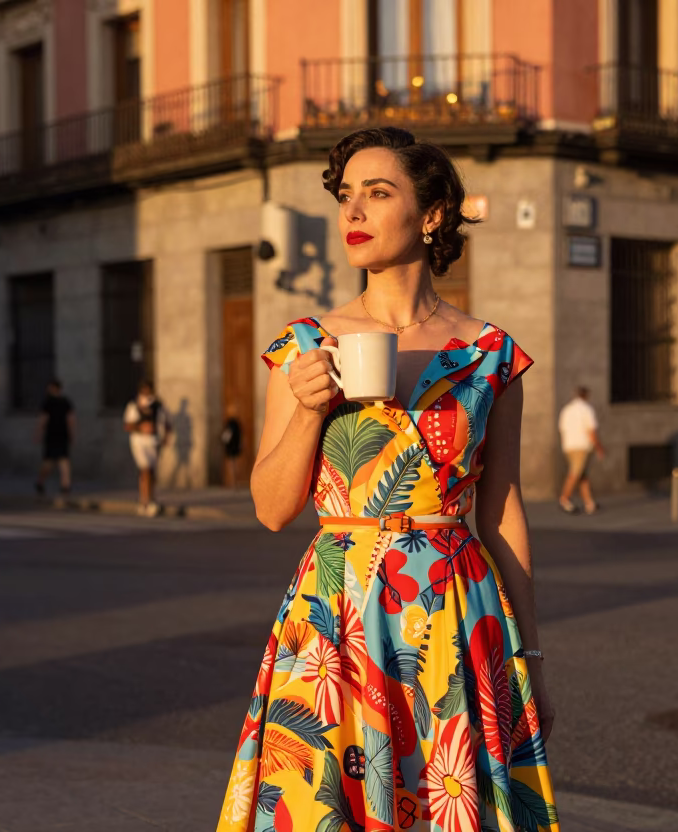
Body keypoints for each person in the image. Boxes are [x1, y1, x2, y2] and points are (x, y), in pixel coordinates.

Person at [216, 127, 557, 831]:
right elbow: (272, 509)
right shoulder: (307, 343)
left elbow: (502, 511)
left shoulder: (490, 354)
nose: (354, 213)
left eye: (378, 193)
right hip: (337, 613)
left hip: (456, 617)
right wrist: (309, 409)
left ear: (431, 215)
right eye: (347, 198)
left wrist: (529, 659)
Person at [123, 380, 169, 517]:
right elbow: (127, 425)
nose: (146, 395)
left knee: (151, 472)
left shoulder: (158, 406)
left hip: (154, 442)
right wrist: (140, 427)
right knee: (145, 469)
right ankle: (145, 501)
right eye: (144, 392)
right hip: (139, 442)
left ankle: (150, 498)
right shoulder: (133, 405)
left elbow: (166, 423)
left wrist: (166, 436)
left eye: (149, 392)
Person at [558, 384, 605, 514]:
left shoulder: (566, 410)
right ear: (586, 396)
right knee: (575, 472)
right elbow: (591, 431)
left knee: (582, 475)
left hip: (568, 446)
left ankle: (589, 503)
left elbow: (562, 429)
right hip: (581, 446)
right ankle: (564, 498)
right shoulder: (586, 409)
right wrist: (599, 447)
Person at [35, 379, 75, 507]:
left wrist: (39, 433)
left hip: (52, 435)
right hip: (61, 435)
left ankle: (46, 483)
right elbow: (71, 420)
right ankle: (64, 485)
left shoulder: (48, 402)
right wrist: (71, 434)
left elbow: (43, 419)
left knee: (52, 461)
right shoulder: (64, 402)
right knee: (61, 461)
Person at [220, 406, 244, 489]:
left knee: (233, 464)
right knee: (232, 464)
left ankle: (233, 482)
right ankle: (232, 482)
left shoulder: (233, 423)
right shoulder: (231, 422)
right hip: (232, 445)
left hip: (233, 445)